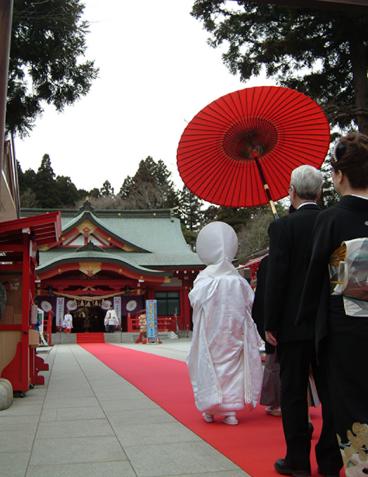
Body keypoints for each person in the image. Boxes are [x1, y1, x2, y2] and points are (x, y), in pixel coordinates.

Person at [297, 133, 368, 477]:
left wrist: (307, 333)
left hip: (347, 331)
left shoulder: (332, 219)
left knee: (352, 411)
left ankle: (361, 470)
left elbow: (313, 283)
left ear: (339, 175)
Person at [264, 164, 342, 477]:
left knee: (293, 393)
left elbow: (277, 279)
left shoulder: (282, 227)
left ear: (292, 192)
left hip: (293, 325)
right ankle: (329, 458)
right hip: (329, 323)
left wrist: (271, 322)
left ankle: (297, 459)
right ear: (320, 191)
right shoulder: (334, 220)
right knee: (332, 391)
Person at [187, 221, 263, 426]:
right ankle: (231, 411)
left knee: (209, 364)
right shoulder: (237, 280)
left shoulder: (204, 280)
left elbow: (194, 300)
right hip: (233, 331)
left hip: (210, 331)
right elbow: (250, 302)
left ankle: (211, 408)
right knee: (233, 367)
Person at [252, 255, 281, 417]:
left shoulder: (268, 262)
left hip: (273, 320)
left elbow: (263, 295)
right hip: (297, 320)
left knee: (274, 363)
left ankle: (276, 402)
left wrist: (265, 324)